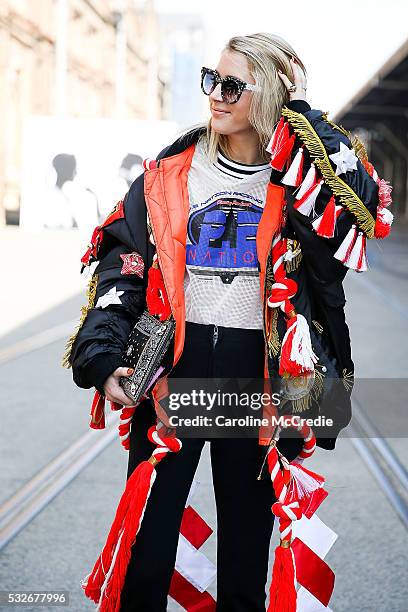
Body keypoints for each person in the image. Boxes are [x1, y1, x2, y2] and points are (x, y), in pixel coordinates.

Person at [66, 32, 392, 611]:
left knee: (247, 547)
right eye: (210, 80)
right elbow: (123, 267)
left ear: (267, 98)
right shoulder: (169, 176)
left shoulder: (303, 184)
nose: (215, 95)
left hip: (258, 380)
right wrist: (105, 356)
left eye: (233, 85)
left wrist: (301, 119)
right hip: (176, 371)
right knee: (148, 539)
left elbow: (360, 206)